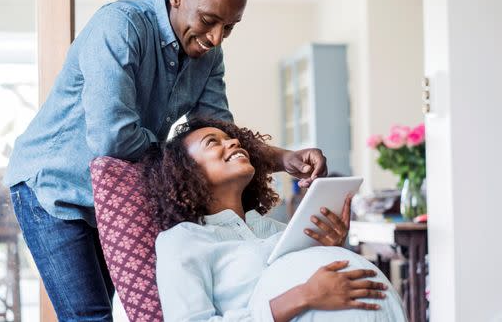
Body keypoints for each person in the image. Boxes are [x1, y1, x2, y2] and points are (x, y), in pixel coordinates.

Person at [4, 0, 328, 321]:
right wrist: (183, 157)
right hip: (52, 188)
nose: (216, 38)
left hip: (109, 196)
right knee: (90, 317)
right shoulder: (120, 27)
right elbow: (114, 137)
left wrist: (284, 158)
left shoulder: (209, 54)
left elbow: (219, 131)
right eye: (208, 20)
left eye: (229, 27)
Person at [143, 118, 406, 321]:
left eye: (231, 139)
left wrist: (332, 248)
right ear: (186, 171)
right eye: (213, 142)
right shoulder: (182, 239)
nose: (233, 143)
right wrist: (303, 296)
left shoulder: (283, 230)